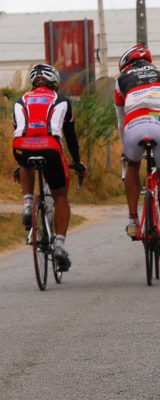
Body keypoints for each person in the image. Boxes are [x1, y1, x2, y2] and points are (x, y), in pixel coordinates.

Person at [12, 64, 85, 271]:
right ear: (54, 82)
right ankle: (60, 245)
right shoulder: (61, 100)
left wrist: (20, 163)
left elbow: (19, 132)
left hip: (21, 147)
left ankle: (27, 205)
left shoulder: (20, 101)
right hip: (51, 149)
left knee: (24, 157)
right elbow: (70, 138)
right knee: (60, 196)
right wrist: (77, 162)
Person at [115, 44, 160, 255]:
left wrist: (126, 153)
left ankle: (133, 220)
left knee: (133, 167)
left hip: (134, 125)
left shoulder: (121, 81)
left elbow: (120, 122)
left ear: (126, 64)